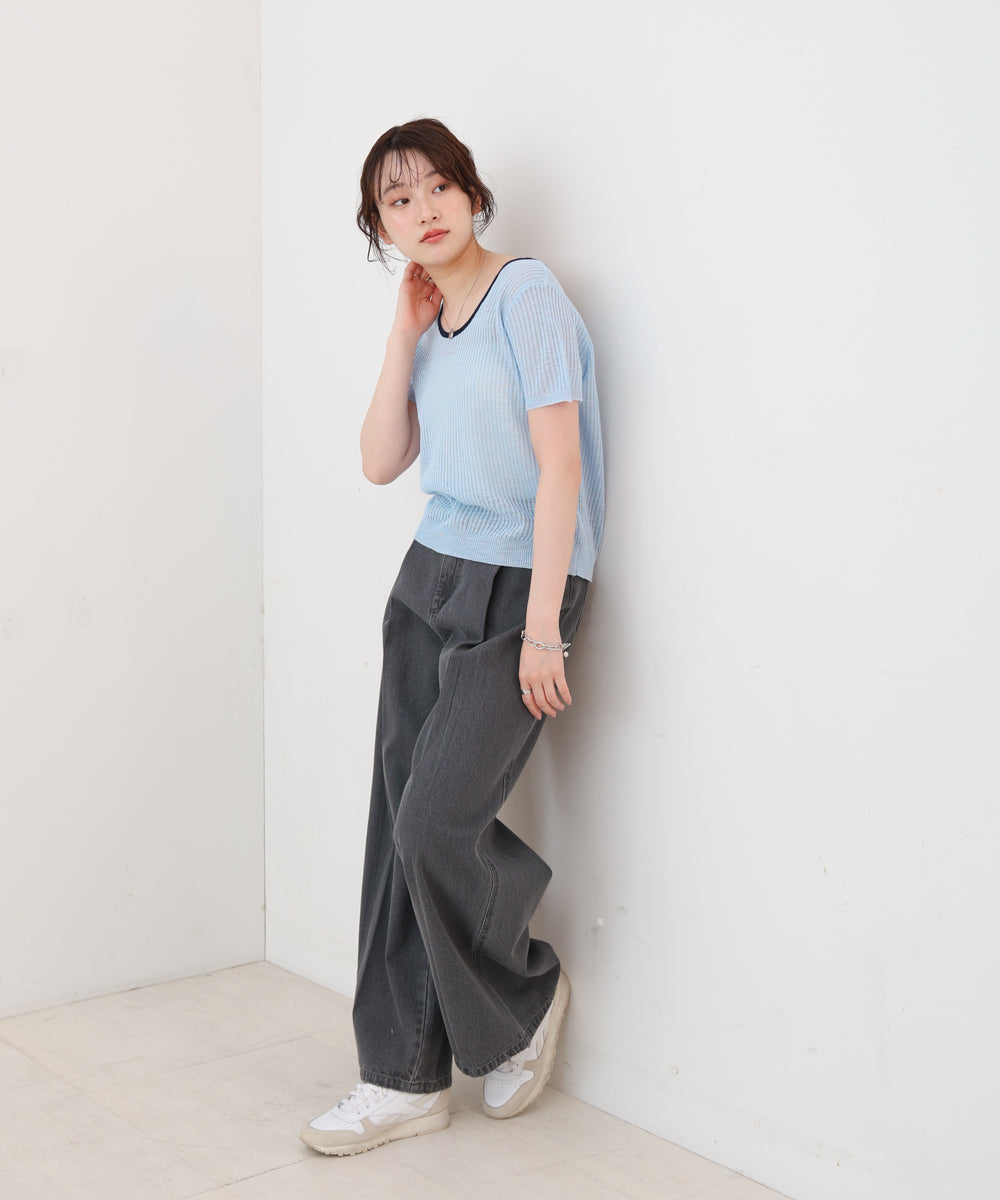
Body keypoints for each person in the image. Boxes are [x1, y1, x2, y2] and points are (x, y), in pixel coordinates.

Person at [300, 118, 605, 1156]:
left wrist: (543, 629)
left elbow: (560, 467)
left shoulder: (528, 295)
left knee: (433, 823)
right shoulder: (430, 321)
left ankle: (522, 997)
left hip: (523, 586)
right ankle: (400, 1078)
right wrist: (401, 337)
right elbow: (381, 460)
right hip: (428, 577)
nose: (422, 210)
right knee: (397, 830)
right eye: (397, 200)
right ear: (380, 227)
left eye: (437, 187)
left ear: (472, 194)